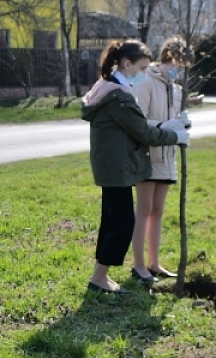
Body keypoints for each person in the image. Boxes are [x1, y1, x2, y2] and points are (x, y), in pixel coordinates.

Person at [81, 39, 188, 292]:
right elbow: (143, 132)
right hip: (116, 166)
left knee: (112, 221)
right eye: (141, 68)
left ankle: (100, 275)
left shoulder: (108, 88)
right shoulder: (118, 96)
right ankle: (99, 277)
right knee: (121, 224)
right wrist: (175, 135)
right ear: (126, 64)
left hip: (112, 164)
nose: (143, 74)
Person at [130, 37, 190, 284]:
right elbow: (139, 121)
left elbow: (176, 121)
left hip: (167, 157)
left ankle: (154, 263)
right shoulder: (146, 82)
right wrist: (166, 127)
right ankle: (139, 265)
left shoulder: (177, 90)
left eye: (184, 66)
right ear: (166, 58)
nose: (179, 70)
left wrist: (183, 125)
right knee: (143, 210)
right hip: (147, 155)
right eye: (177, 63)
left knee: (158, 211)